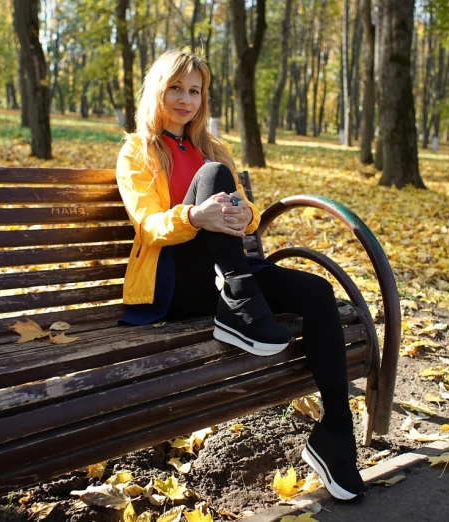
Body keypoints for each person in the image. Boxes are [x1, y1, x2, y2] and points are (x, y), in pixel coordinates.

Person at [116, 50, 365, 500]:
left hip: (230, 275)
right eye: (176, 88)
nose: (185, 99)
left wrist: (233, 213)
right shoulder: (138, 150)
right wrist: (196, 216)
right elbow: (148, 225)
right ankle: (238, 303)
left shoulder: (214, 150)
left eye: (195, 91)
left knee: (316, 290)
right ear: (157, 89)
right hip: (173, 280)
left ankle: (335, 434)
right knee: (213, 178)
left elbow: (248, 220)